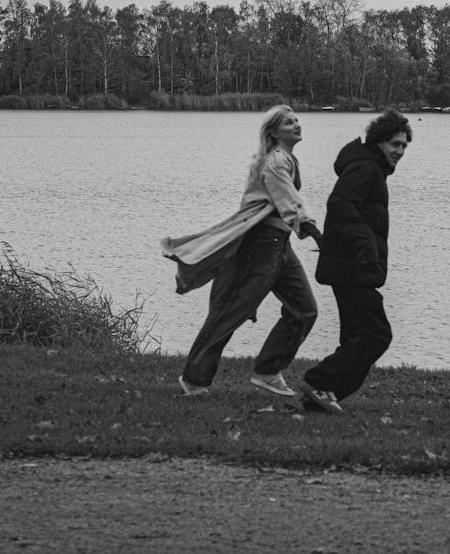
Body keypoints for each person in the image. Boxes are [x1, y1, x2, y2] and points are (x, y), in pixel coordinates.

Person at [160, 105, 322, 397]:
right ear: (274, 132)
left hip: (280, 244)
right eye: (289, 122)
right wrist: (316, 233)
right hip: (261, 245)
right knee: (230, 311)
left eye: (297, 120)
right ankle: (194, 379)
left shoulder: (285, 158)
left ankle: (267, 371)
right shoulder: (275, 161)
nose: (297, 125)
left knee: (304, 310)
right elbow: (290, 202)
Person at [299, 108, 411, 413]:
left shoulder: (370, 166)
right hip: (353, 266)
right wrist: (365, 244)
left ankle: (321, 397)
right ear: (378, 141)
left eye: (404, 146)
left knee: (355, 337)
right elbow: (339, 204)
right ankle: (318, 381)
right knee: (376, 334)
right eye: (395, 144)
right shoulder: (366, 168)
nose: (400, 151)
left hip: (351, 266)